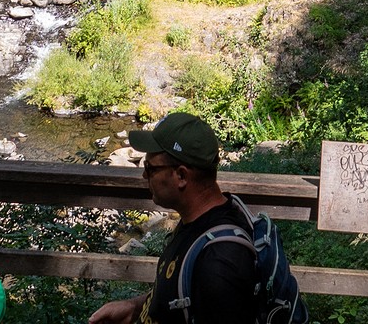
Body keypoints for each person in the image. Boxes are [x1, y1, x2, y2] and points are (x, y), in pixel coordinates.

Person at [87, 112, 253, 324]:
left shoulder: (219, 264)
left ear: (181, 176)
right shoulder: (195, 221)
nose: (144, 176)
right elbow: (183, 296)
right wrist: (134, 308)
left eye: (150, 168)